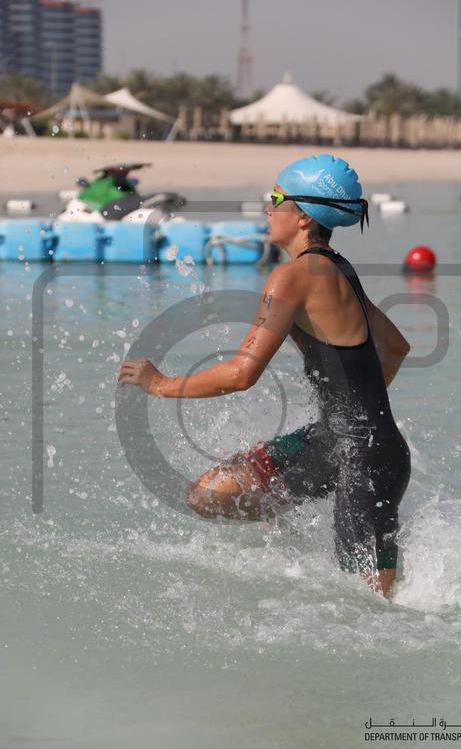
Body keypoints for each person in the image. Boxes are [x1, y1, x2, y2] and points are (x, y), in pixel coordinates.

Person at [117, 154, 411, 599]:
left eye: (275, 199)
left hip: (365, 462)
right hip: (339, 442)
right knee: (210, 494)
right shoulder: (338, 268)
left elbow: (241, 374)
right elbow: (396, 347)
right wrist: (357, 407)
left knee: (372, 606)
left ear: (304, 216)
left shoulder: (292, 277)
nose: (267, 209)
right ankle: (293, 533)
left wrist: (160, 384)